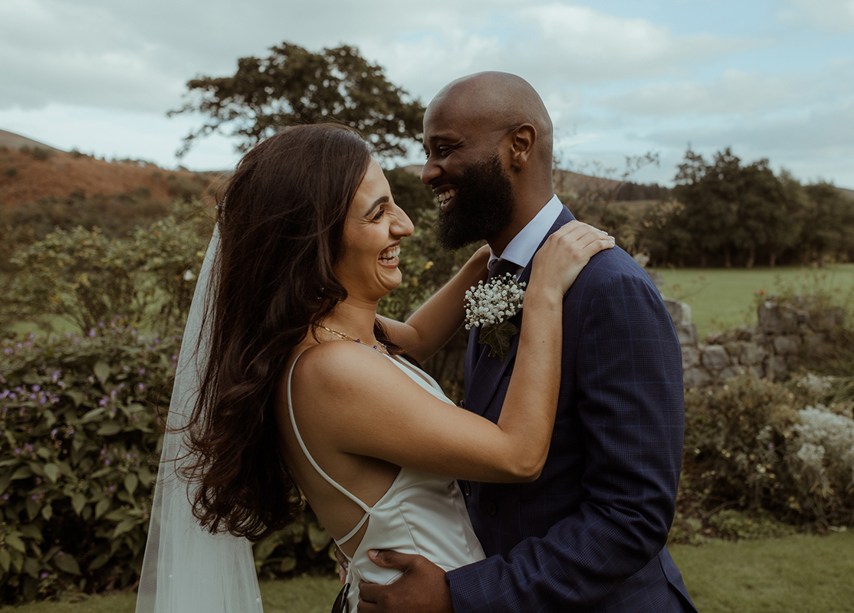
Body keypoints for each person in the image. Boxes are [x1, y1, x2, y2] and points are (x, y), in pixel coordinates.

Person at [134, 122, 614, 613]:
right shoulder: (333, 370)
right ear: (315, 238)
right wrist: (544, 293)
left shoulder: (327, 333)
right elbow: (518, 456)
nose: (404, 225)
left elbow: (417, 339)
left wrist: (500, 253)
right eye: (378, 213)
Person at [357, 73, 697, 612]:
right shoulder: (496, 274)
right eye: (427, 152)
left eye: (445, 149)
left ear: (519, 146)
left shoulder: (610, 289)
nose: (427, 173)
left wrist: (461, 596)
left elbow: (633, 516)